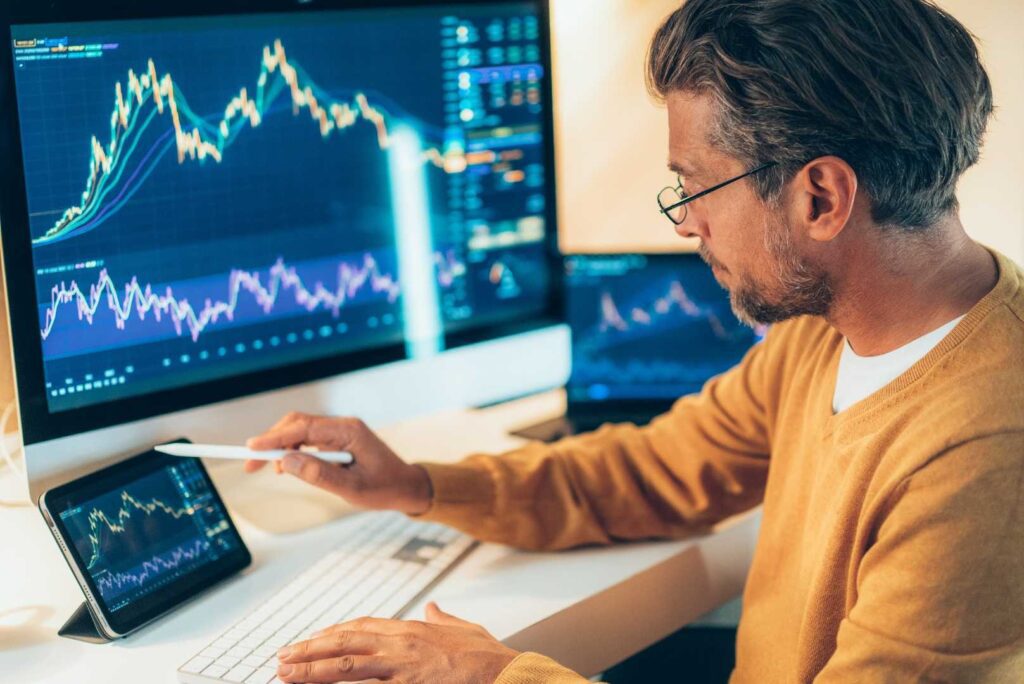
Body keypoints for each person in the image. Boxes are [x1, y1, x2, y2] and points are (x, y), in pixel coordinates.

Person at [245, 0, 1024, 681]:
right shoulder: (825, 332)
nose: (685, 221)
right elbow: (652, 473)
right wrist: (418, 484)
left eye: (695, 186)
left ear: (820, 196)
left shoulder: (986, 452)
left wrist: (496, 677)